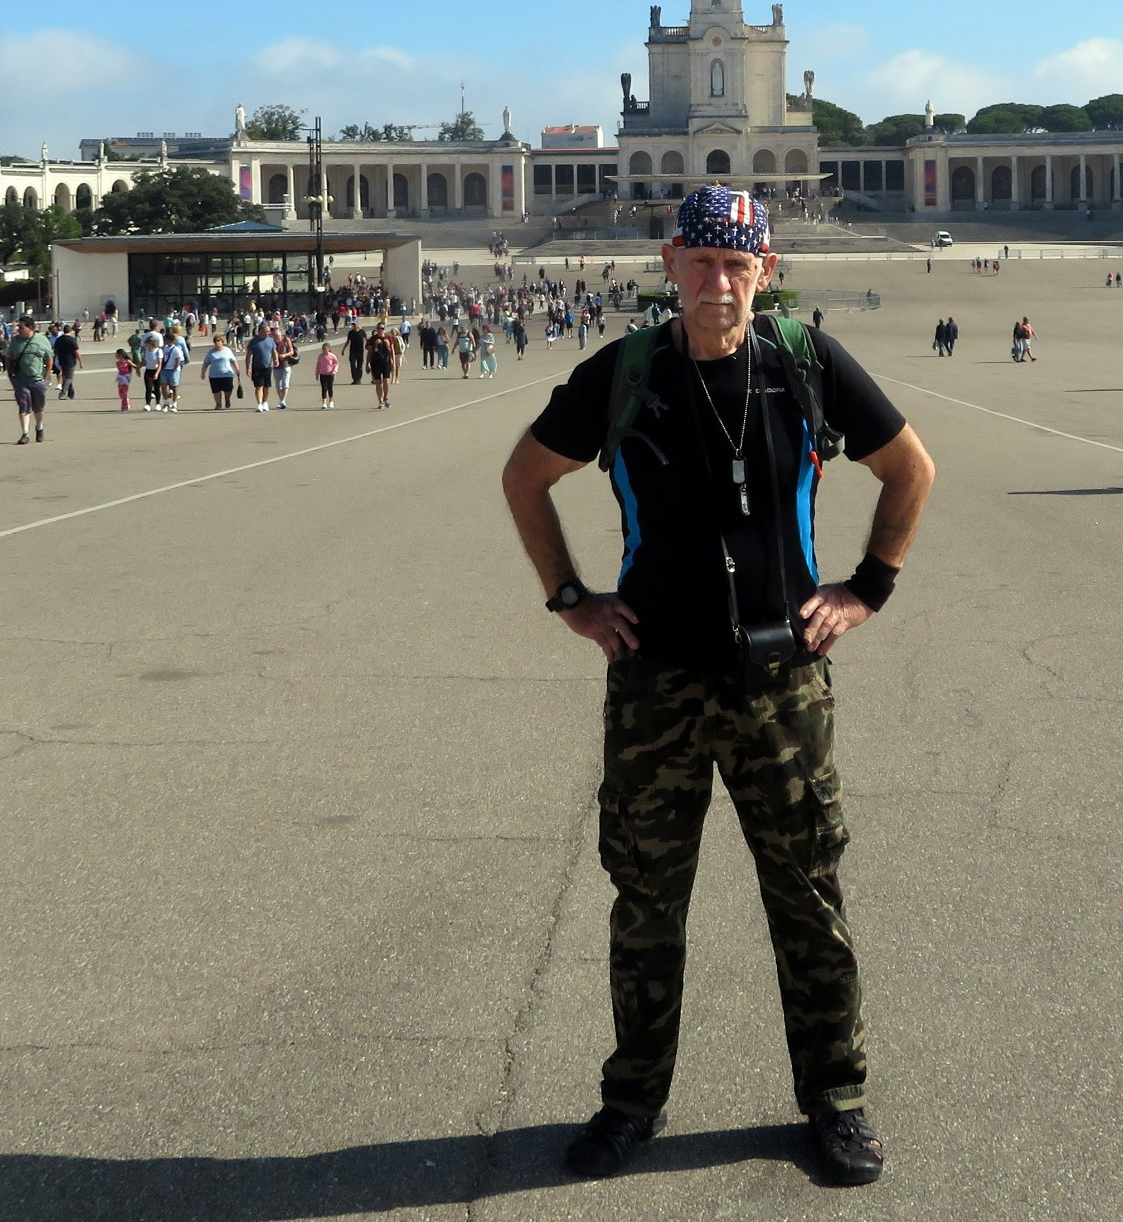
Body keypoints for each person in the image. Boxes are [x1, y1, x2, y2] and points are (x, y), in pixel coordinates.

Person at [500, 185, 936, 1188]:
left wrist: (867, 588)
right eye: (700, 262)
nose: (717, 281)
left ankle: (834, 1096)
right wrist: (568, 595)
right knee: (645, 903)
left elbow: (909, 468)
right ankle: (631, 1100)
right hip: (654, 680)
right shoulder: (625, 373)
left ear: (765, 271)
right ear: (669, 264)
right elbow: (525, 475)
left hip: (780, 680)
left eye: (737, 264)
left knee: (807, 896)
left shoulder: (804, 364)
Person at [5, 317, 53, 444]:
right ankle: (25, 433)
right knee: (24, 407)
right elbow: (9, 357)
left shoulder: (42, 340)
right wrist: (10, 375)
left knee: (38, 408)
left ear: (30, 328)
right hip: (20, 379)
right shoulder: (15, 341)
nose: (18, 330)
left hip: (38, 380)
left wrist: (46, 377)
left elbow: (49, 359)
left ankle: (39, 427)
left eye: (21, 327)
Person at [201, 333, 239, 408]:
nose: (217, 342)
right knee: (216, 390)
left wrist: (237, 369)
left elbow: (233, 361)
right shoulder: (211, 352)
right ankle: (218, 404)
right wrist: (203, 373)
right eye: (215, 341)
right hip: (214, 375)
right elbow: (206, 363)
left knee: (228, 389)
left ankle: (227, 400)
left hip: (227, 374)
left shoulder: (227, 350)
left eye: (218, 341)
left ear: (222, 342)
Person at [247, 323, 279, 411]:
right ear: (260, 331)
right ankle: (259, 404)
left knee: (266, 386)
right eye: (266, 331)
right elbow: (248, 356)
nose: (268, 333)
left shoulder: (271, 340)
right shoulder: (253, 341)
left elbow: (274, 351)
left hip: (268, 367)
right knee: (259, 386)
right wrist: (248, 368)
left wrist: (276, 359)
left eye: (269, 331)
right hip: (257, 367)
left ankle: (265, 402)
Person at [158, 329, 189, 412]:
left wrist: (175, 369)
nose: (165, 341)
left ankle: (174, 404)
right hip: (164, 370)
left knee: (174, 387)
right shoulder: (163, 348)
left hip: (173, 370)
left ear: (170, 340)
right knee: (163, 386)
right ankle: (166, 403)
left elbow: (178, 360)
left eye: (166, 340)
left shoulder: (176, 349)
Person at [367, 322, 397, 408]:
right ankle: (380, 401)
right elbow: (370, 352)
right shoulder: (373, 339)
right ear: (376, 329)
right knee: (378, 382)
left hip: (386, 361)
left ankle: (386, 398)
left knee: (386, 381)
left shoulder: (388, 338)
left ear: (384, 329)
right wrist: (367, 364)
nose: (380, 330)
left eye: (382, 328)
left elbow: (392, 351)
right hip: (375, 362)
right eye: (379, 328)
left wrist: (393, 363)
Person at [51, 324, 82, 400]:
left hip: (61, 360)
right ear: (70, 331)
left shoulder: (59, 339)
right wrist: (81, 361)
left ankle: (71, 393)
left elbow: (55, 350)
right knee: (69, 377)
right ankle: (62, 393)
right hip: (70, 360)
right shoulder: (72, 340)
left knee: (66, 376)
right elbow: (77, 351)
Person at [271, 324, 298, 408]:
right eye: (274, 337)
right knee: (278, 385)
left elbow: (292, 352)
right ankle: (281, 400)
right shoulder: (271, 342)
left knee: (285, 383)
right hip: (276, 366)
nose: (276, 339)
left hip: (286, 365)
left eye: (277, 337)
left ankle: (283, 401)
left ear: (281, 335)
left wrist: (285, 355)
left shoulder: (286, 340)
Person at [315, 340, 339, 407]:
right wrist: (317, 374)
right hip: (322, 374)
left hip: (330, 374)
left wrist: (334, 371)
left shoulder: (332, 356)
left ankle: (331, 401)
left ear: (329, 349)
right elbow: (318, 365)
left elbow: (336, 364)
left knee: (330, 387)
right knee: (324, 388)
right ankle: (324, 403)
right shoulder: (320, 356)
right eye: (323, 349)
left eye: (325, 349)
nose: (324, 350)